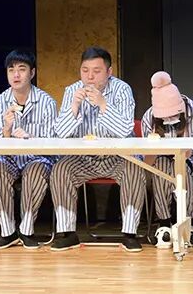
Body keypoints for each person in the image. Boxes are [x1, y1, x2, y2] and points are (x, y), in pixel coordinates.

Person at [49, 46, 145, 252]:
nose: (90, 76)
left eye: (96, 71)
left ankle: (129, 233)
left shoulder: (122, 89)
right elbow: (60, 133)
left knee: (134, 168)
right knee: (60, 169)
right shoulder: (72, 91)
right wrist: (74, 107)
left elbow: (125, 129)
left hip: (119, 156)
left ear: (109, 72)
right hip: (84, 158)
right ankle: (67, 233)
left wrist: (103, 104)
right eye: (85, 70)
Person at [0, 49, 57, 250]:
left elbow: (52, 142)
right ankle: (7, 232)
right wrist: (6, 131)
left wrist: (30, 138)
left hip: (36, 157)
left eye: (22, 69)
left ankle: (26, 230)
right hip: (7, 158)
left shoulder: (46, 102)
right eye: (11, 70)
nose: (16, 75)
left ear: (32, 73)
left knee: (36, 172)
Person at [141, 71, 193, 248]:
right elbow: (147, 162)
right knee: (161, 165)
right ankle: (164, 222)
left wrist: (190, 149)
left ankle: (189, 219)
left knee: (181, 165)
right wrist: (152, 152)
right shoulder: (149, 117)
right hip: (164, 163)